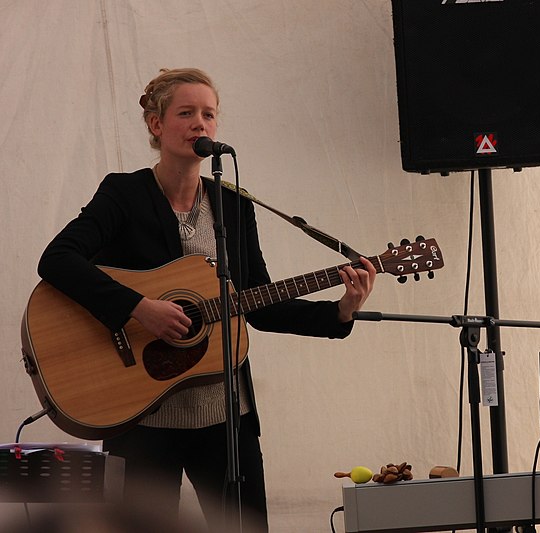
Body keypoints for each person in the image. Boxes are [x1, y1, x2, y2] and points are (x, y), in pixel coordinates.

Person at [36, 68, 376, 531]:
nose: (201, 123)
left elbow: (258, 301)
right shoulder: (124, 194)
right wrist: (139, 308)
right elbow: (57, 259)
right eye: (187, 112)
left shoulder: (234, 205)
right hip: (142, 416)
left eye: (209, 114)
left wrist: (340, 310)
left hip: (225, 418)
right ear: (156, 125)